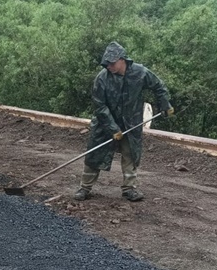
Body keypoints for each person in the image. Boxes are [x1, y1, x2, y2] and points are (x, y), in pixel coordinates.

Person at [73, 41, 173, 202]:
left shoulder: (140, 73)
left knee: (130, 154)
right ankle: (84, 188)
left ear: (122, 59)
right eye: (106, 63)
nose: (109, 66)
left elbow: (159, 86)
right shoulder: (102, 78)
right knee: (94, 155)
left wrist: (164, 104)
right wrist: (112, 128)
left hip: (131, 122)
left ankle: (129, 189)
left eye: (112, 63)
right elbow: (99, 105)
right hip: (104, 124)